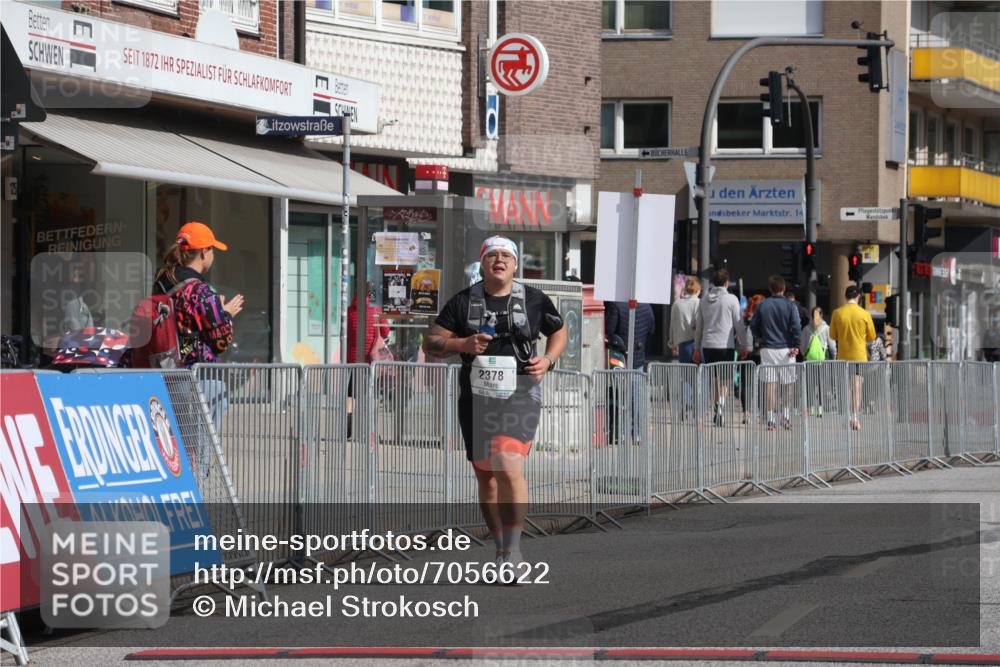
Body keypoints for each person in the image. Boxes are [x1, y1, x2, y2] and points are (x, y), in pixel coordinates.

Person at [423, 236, 566, 572]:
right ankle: (501, 548)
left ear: (515, 264)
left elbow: (559, 331)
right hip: (477, 400)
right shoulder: (463, 301)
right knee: (487, 477)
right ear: (483, 263)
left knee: (507, 463)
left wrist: (548, 360)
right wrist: (462, 343)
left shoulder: (533, 299)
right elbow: (431, 342)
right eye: (492, 255)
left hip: (520, 393)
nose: (499, 260)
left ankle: (514, 551)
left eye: (506, 256)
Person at [154, 221, 243, 471]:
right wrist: (225, 314)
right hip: (195, 374)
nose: (213, 255)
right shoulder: (201, 291)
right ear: (204, 252)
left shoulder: (162, 280)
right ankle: (200, 481)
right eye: (212, 249)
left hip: (165, 369)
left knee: (179, 437)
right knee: (204, 429)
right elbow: (221, 340)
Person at [694, 268, 747, 427]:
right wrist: (743, 344)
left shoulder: (704, 300)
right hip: (725, 345)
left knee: (714, 378)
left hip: (708, 345)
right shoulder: (731, 299)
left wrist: (696, 347)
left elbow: (699, 326)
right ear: (726, 283)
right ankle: (721, 404)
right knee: (726, 378)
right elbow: (739, 324)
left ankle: (716, 405)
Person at [751, 275, 802, 431]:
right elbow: (796, 326)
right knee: (788, 384)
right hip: (786, 349)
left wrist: (761, 338)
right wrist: (796, 344)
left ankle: (771, 419)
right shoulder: (790, 306)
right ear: (784, 288)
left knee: (770, 385)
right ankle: (785, 417)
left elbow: (753, 326)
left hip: (767, 349)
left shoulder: (762, 305)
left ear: (770, 289)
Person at [829, 285, 876, 431]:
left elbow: (832, 335)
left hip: (843, 356)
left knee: (846, 388)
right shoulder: (864, 314)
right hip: (859, 356)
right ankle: (855, 418)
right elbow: (872, 336)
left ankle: (847, 417)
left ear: (845, 296)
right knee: (857, 387)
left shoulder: (837, 313)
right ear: (859, 297)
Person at [801, 306, 836, 417]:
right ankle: (820, 409)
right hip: (823, 359)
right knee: (822, 384)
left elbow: (802, 346)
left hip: (810, 360)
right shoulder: (826, 328)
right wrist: (834, 356)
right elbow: (832, 346)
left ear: (812, 315)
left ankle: (811, 408)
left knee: (810, 383)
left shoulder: (806, 329)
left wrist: (806, 354)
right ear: (822, 315)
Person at [604, 300, 656, 371]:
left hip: (619, 357)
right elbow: (651, 330)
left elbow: (609, 330)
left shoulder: (616, 305)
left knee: (620, 378)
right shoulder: (647, 307)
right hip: (638, 358)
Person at [669, 277, 701, 364]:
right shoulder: (698, 303)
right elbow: (699, 325)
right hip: (696, 343)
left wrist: (672, 343)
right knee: (700, 371)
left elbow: (672, 325)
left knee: (686, 371)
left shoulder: (676, 304)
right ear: (697, 290)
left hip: (682, 345)